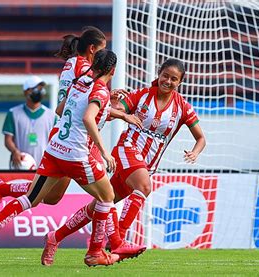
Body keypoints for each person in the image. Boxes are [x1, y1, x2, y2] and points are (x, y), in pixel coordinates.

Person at [41, 58, 207, 265]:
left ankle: (55, 237)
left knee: (100, 205)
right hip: (126, 150)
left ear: (180, 82)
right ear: (159, 74)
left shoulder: (182, 107)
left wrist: (195, 152)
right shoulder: (141, 95)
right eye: (165, 76)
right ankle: (118, 238)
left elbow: (201, 138)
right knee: (144, 186)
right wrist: (115, 107)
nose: (168, 81)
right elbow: (112, 111)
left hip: (145, 165)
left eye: (174, 79)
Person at [0, 49, 122, 267]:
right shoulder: (101, 90)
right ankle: (95, 252)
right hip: (76, 154)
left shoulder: (80, 82)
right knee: (107, 197)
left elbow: (61, 109)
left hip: (55, 149)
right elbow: (88, 118)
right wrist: (104, 152)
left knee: (31, 199)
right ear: (113, 70)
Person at [0, 26, 110, 214]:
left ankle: (2, 189)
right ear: (92, 49)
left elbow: (81, 100)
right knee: (106, 195)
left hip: (64, 131)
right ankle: (110, 240)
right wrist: (117, 110)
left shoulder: (73, 64)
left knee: (51, 197)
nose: (103, 56)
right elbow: (91, 101)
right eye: (101, 50)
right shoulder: (85, 68)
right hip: (73, 136)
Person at [3, 75, 55, 169]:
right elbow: (8, 139)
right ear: (26, 91)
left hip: (44, 168)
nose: (39, 91)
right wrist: (15, 151)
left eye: (41, 88)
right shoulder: (13, 113)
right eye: (35, 88)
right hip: (21, 165)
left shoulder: (52, 116)